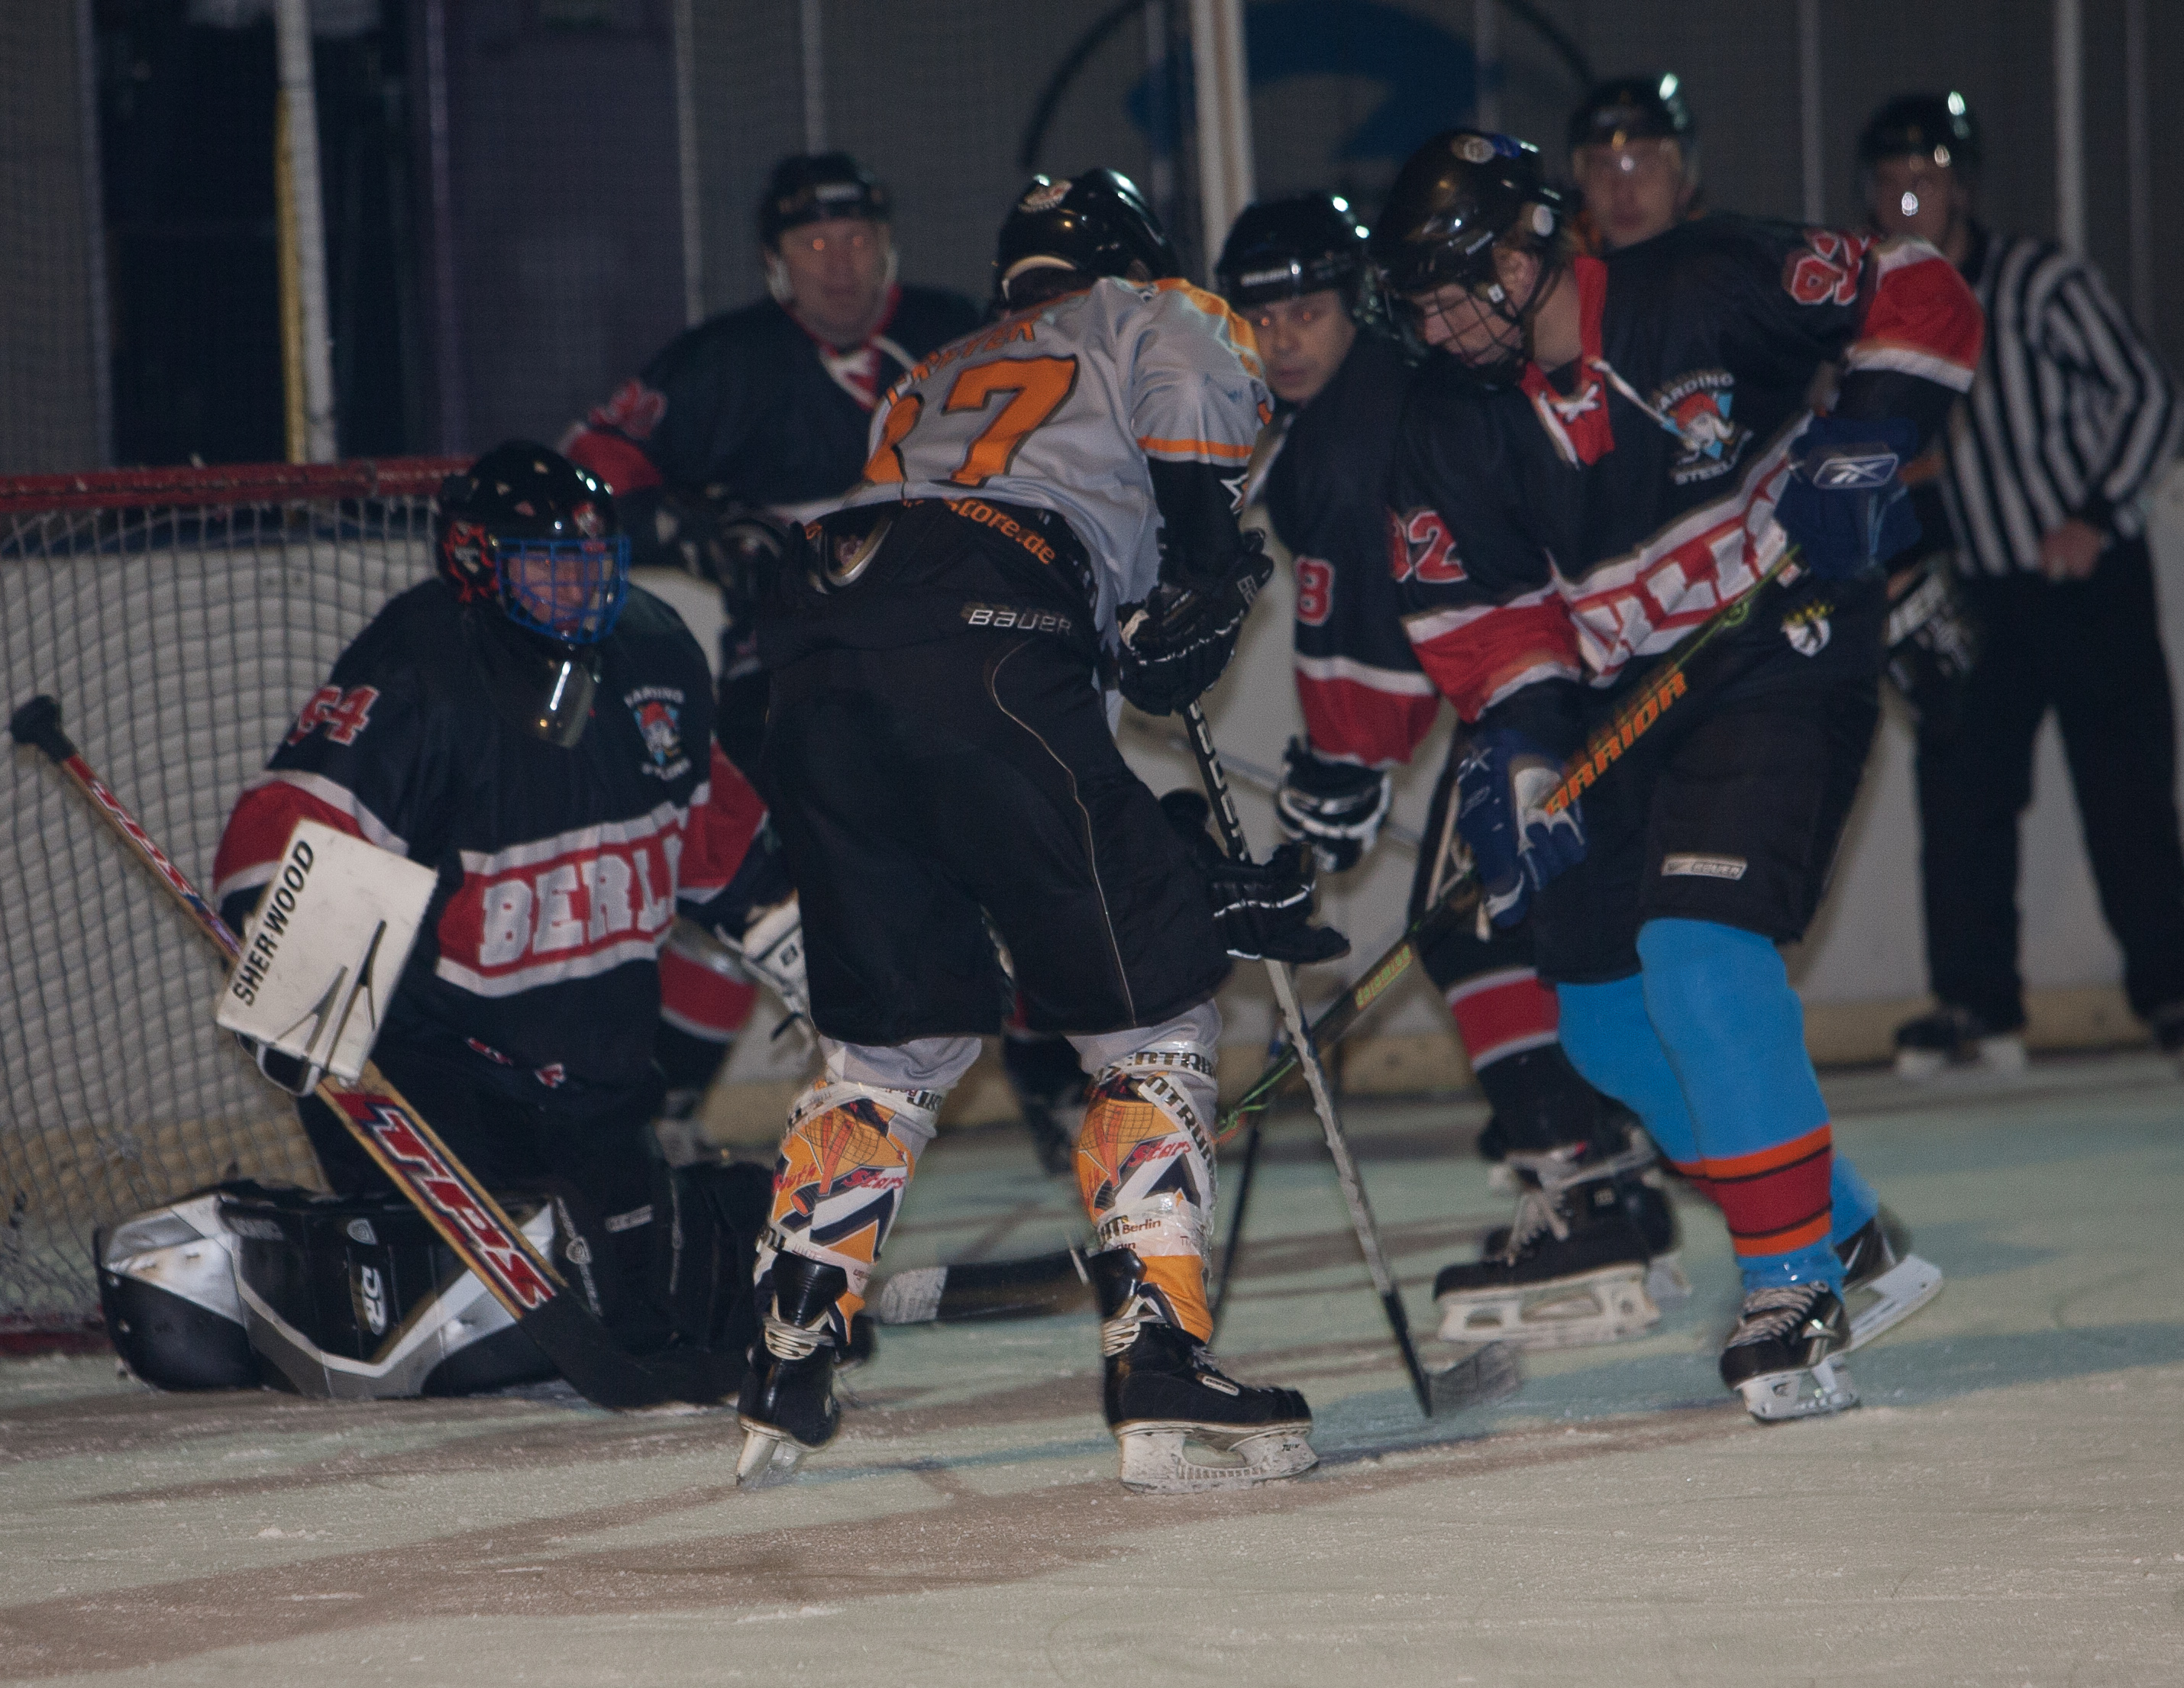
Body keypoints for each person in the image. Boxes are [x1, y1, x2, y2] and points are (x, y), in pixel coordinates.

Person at [737, 169, 1342, 1493]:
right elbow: (1150, 508)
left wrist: (1166, 859)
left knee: (892, 1044)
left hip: (819, 641)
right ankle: (1159, 1351)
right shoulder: (1152, 306)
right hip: (991, 620)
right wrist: (1204, 556)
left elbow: (989, 710)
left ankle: (790, 1348)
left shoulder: (926, 371)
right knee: (1149, 1018)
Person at [1368, 129, 1976, 1420]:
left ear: (1528, 250)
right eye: (1415, 303)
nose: (1436, 325)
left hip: (1783, 640)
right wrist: (1526, 753)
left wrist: (1867, 435)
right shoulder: (1445, 418)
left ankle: (1792, 1286)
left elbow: (1919, 283)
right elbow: (1491, 622)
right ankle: (1847, 1232)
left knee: (1700, 949)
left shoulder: (1698, 283)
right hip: (1627, 697)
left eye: (1453, 290)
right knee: (1601, 1019)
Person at [1226, 192, 1688, 1350]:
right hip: (1601, 650)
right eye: (1262, 319)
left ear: (1357, 306)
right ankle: (1614, 1174)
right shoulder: (1385, 393)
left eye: (1308, 311)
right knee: (1533, 921)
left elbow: (1376, 649)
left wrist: (1341, 770)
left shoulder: (1349, 440)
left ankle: (1584, 1190)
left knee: (1472, 928)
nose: (1284, 340)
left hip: (1550, 678)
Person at [208, 443, 791, 1354]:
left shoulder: (653, 648)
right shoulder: (420, 663)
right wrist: (291, 976)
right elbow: (297, 816)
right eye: (550, 566)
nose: (581, 589)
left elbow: (718, 833)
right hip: (442, 1079)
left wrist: (822, 949)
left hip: (597, 1082)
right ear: (475, 561)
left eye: (594, 564)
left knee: (656, 1302)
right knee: (480, 1337)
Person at [560, 153, 985, 1150]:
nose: (839, 263)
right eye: (814, 242)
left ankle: (1058, 1091)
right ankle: (659, 1111)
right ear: (776, 263)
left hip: (952, 663)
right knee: (756, 886)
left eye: (857, 239)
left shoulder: (958, 337)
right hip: (789, 677)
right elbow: (586, 466)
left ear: (888, 249)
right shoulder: (725, 363)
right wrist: (686, 528)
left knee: (1011, 859)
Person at [1858, 93, 2184, 1079]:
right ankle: (1974, 999)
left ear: (1962, 187)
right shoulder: (1877, 309)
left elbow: (2151, 394)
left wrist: (2094, 514)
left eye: (1925, 179)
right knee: (1960, 796)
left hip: (2085, 582)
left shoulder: (2038, 282)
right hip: (1976, 589)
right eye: (1889, 183)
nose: (1907, 199)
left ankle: (2172, 993)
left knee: (2125, 791)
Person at [1568, 74, 1705, 253]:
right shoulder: (1559, 267)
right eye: (1604, 169)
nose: (1622, 195)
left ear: (1686, 175)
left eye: (1645, 168)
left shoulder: (1724, 264)